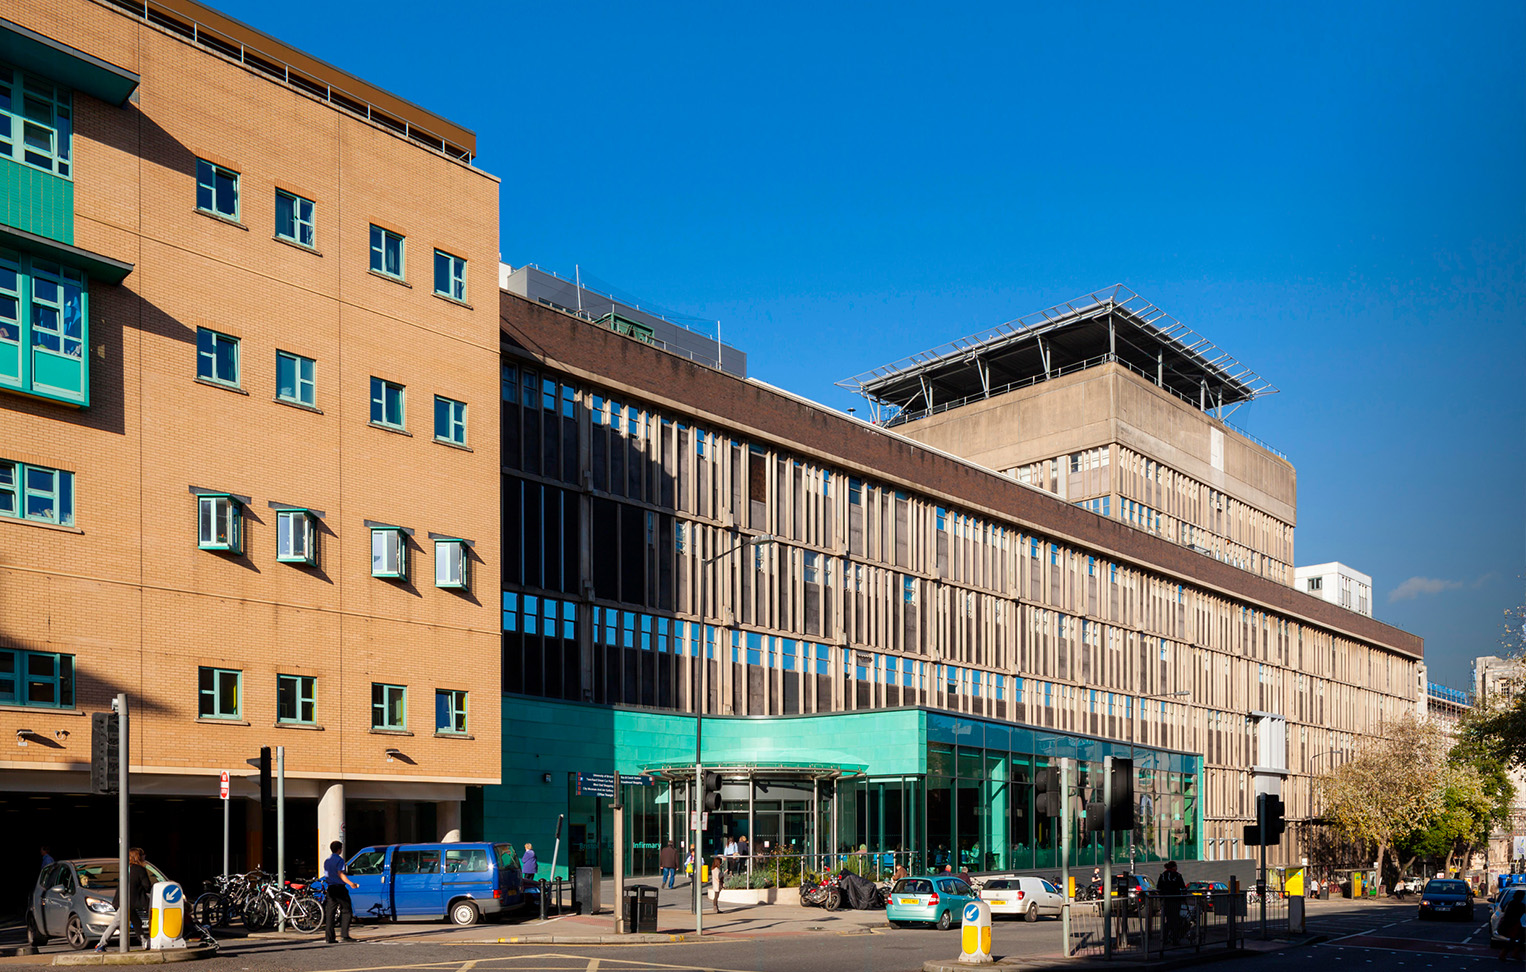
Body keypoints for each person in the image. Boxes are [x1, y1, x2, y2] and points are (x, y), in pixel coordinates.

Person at [95, 847, 153, 952]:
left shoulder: (126, 869)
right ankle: (101, 944)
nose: (145, 856)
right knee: (116, 922)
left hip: (123, 900)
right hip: (130, 902)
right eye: (142, 854)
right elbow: (147, 886)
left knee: (137, 922)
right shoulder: (140, 869)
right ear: (138, 857)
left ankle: (144, 941)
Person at [322, 840, 358, 944]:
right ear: (339, 849)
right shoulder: (340, 860)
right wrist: (351, 883)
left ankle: (329, 937)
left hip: (330, 888)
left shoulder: (327, 861)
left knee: (330, 913)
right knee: (346, 909)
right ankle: (344, 935)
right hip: (339, 888)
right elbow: (340, 874)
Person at [1156, 860, 1188, 943]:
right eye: (1176, 866)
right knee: (1175, 920)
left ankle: (1164, 938)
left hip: (1165, 900)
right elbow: (1183, 887)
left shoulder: (1163, 876)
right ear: (1173, 867)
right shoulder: (1177, 876)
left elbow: (1158, 888)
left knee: (1168, 919)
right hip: (1175, 900)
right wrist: (1184, 897)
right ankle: (1175, 938)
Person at [1498, 890, 1525, 961]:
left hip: (1512, 923)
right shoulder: (1518, 904)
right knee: (1515, 939)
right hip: (1513, 924)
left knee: (1518, 938)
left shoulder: (1510, 903)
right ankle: (1506, 954)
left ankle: (1511, 953)